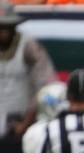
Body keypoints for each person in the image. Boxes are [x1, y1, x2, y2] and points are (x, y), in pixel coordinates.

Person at [0, 3, 57, 138]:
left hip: (20, 119)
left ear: (13, 26)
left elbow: (46, 87)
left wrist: (26, 123)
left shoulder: (28, 46)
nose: (1, 32)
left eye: (4, 28)